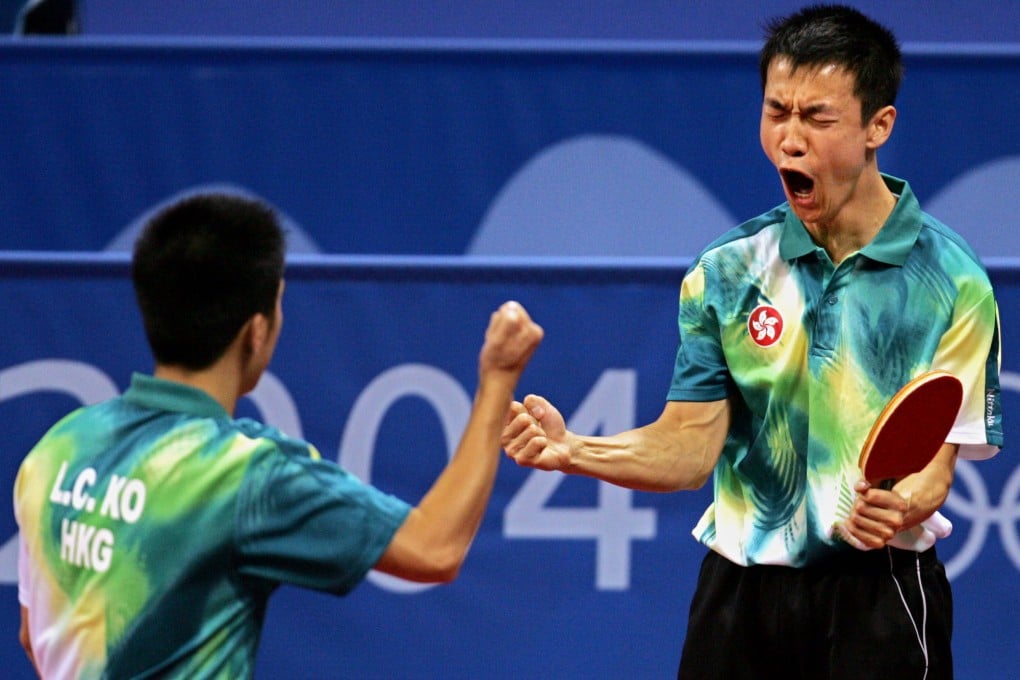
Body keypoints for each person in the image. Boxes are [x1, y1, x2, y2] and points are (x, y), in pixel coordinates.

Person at [501, 5, 1003, 679]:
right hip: (738, 596)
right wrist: (574, 451)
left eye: (817, 118)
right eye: (776, 113)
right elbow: (688, 446)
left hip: (877, 593)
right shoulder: (728, 270)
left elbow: (934, 467)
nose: (789, 140)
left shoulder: (953, 280)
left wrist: (900, 504)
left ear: (878, 126)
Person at [14, 192, 544, 678]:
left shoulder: (57, 447)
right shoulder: (244, 473)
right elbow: (434, 548)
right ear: (257, 330)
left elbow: (32, 635)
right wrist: (497, 379)